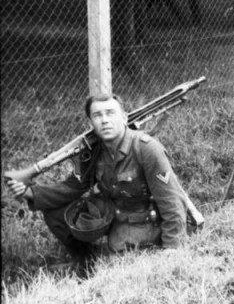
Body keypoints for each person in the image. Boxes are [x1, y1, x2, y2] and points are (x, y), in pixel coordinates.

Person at [6, 94, 191, 276]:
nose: (104, 120)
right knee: (55, 214)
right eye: (98, 115)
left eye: (110, 113)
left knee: (116, 272)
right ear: (91, 123)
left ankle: (108, 259)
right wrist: (30, 193)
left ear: (124, 117)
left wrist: (172, 248)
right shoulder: (94, 152)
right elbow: (72, 187)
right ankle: (86, 262)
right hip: (113, 214)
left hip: (143, 221)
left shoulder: (146, 148)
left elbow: (170, 200)